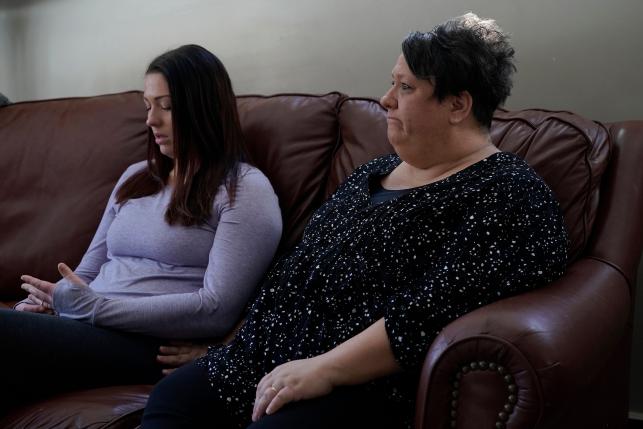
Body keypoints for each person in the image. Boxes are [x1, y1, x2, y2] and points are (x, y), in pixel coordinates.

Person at [141, 13, 568, 429]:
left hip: (358, 384)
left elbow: (428, 313)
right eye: (392, 83)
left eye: (405, 87)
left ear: (458, 105)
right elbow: (300, 265)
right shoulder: (372, 172)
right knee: (174, 399)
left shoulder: (508, 193)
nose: (386, 99)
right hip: (262, 360)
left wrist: (324, 370)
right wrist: (235, 343)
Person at [0, 44, 282, 412]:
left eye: (166, 106)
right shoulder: (136, 178)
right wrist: (45, 303)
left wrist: (93, 308)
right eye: (148, 106)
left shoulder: (244, 189)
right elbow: (83, 273)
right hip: (87, 325)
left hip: (146, 343)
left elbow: (215, 308)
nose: (151, 121)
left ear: (204, 108)